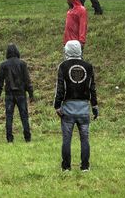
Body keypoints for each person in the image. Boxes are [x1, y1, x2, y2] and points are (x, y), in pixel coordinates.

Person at [53, 40, 99, 172]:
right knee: (85, 138)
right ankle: (85, 166)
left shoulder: (63, 66)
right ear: (79, 50)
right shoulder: (88, 67)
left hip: (67, 109)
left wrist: (57, 105)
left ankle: (66, 167)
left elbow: (60, 88)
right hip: (84, 109)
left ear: (67, 50)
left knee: (67, 139)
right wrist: (94, 106)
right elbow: (92, 88)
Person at [0, 44, 34, 143]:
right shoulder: (22, 64)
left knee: (9, 116)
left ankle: (9, 138)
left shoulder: (4, 65)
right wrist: (31, 94)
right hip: (21, 93)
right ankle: (27, 137)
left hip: (9, 93)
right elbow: (27, 80)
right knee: (24, 116)